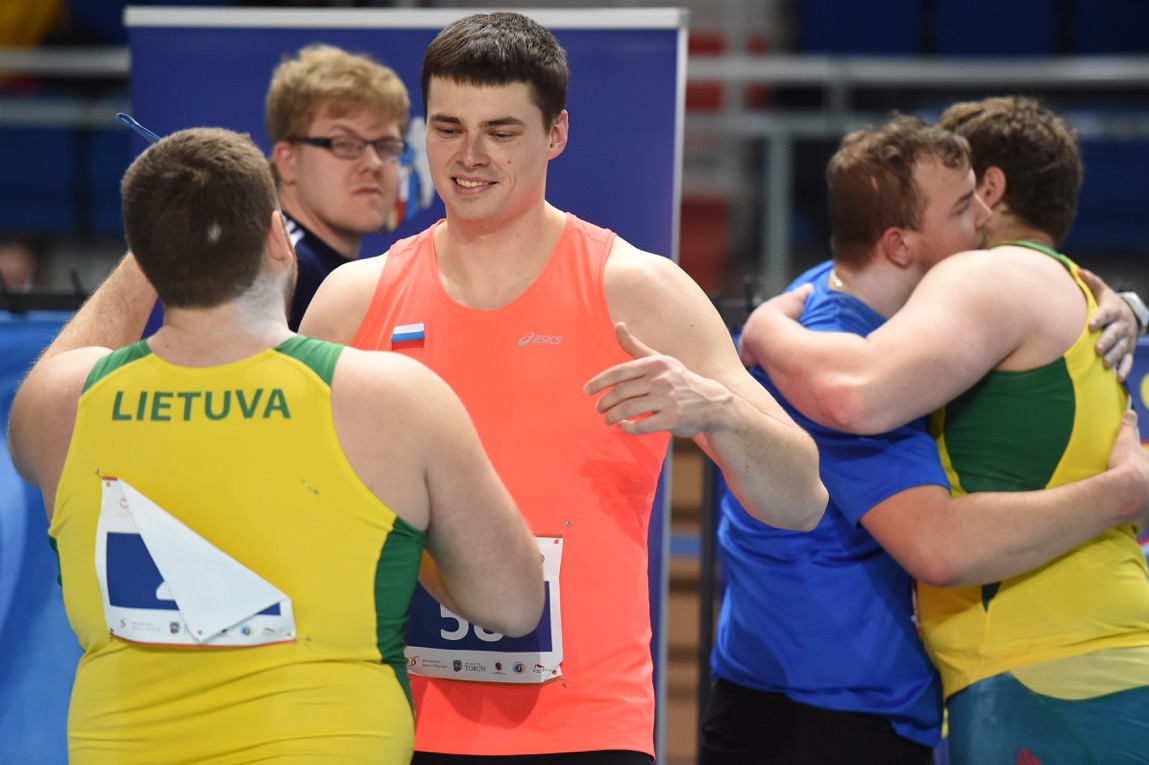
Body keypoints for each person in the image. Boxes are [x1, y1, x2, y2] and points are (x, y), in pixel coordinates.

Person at [300, 11, 828, 764]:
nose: (470, 156)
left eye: (501, 131)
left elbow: (800, 500)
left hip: (586, 731)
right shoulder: (353, 300)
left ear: (556, 134)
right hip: (389, 725)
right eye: (448, 128)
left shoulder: (636, 291)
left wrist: (717, 410)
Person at [6, 126, 545, 764]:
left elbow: (65, 363)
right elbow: (514, 604)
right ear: (275, 237)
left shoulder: (61, 404)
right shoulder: (393, 399)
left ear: (149, 256)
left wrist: (154, 244)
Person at [699, 114, 1149, 765]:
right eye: (963, 206)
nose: (983, 220)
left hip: (985, 680)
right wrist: (1125, 490)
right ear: (899, 243)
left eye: (980, 197)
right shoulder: (833, 350)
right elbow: (937, 543)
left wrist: (1126, 303)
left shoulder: (875, 311)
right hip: (815, 712)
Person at [265, 43, 411, 330]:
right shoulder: (281, 264)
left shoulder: (317, 269)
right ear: (288, 160)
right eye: (344, 143)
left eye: (386, 146)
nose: (373, 163)